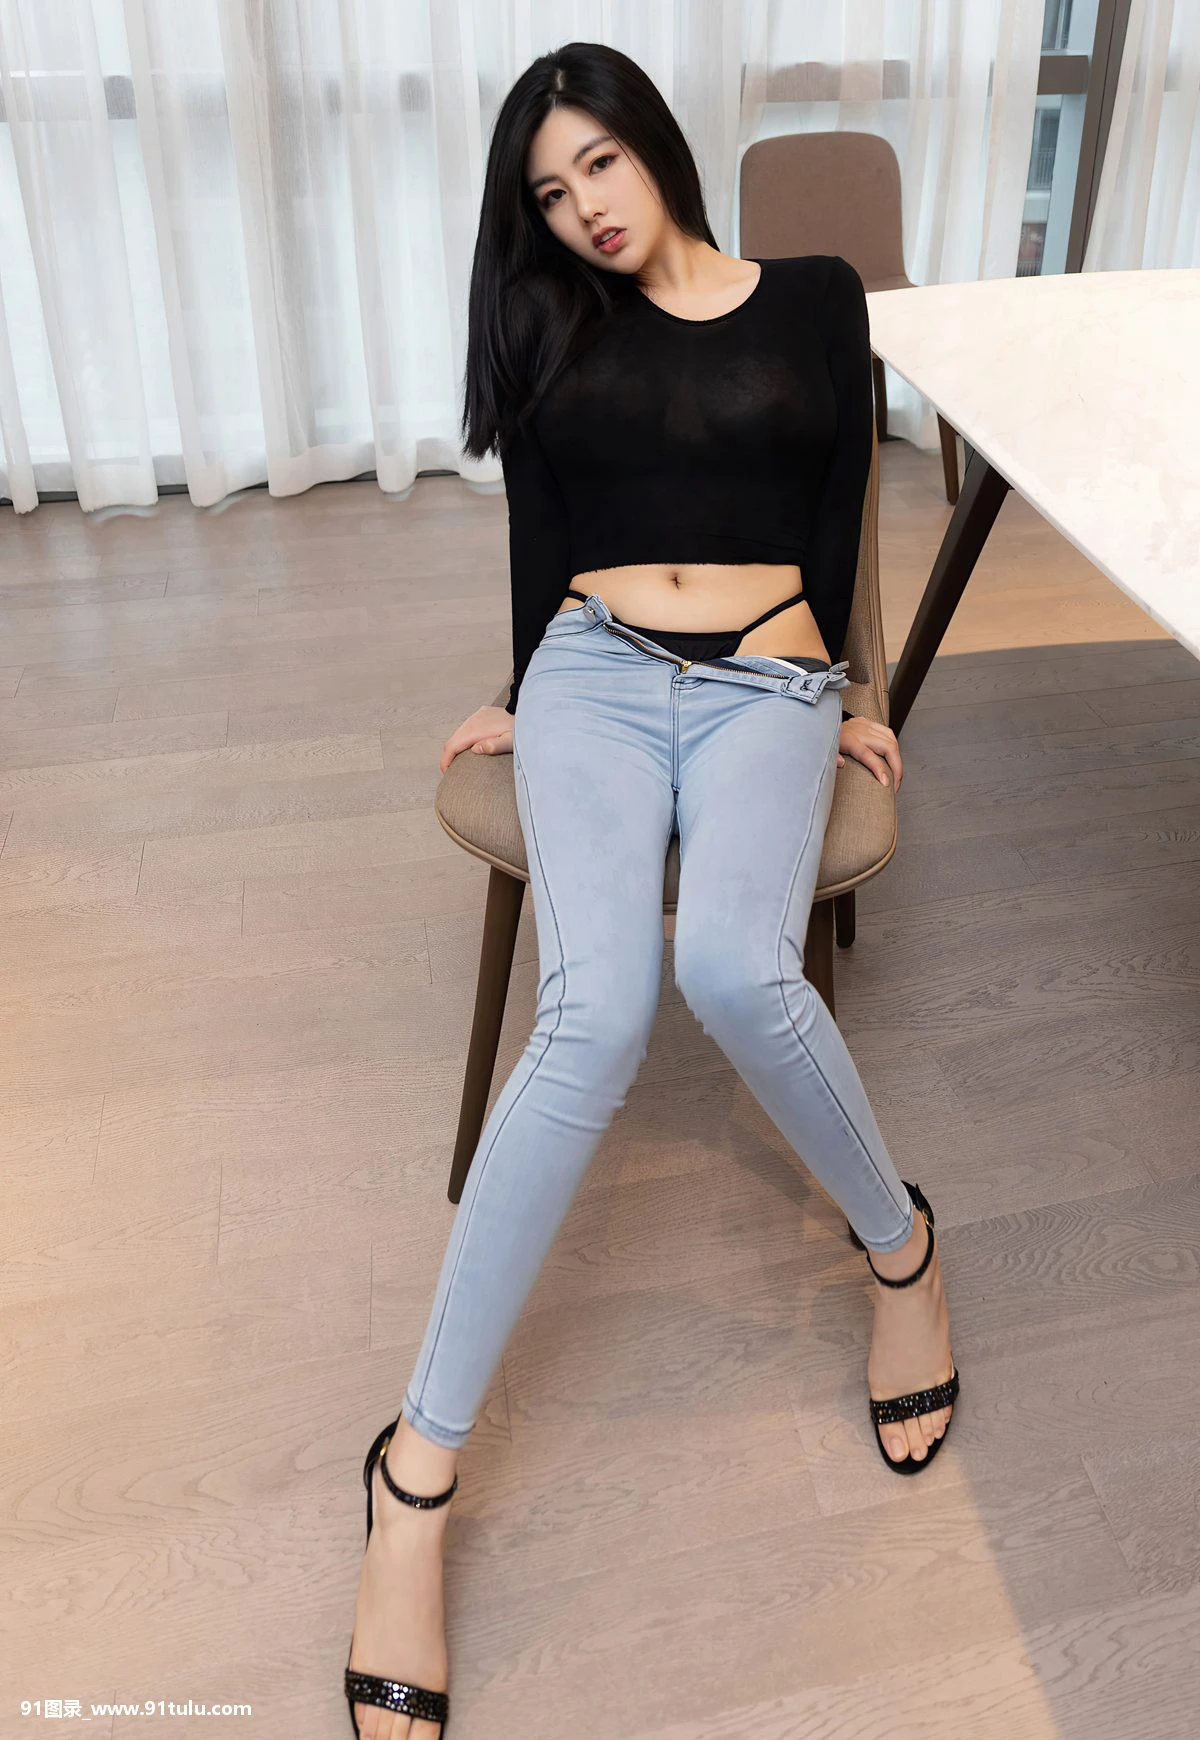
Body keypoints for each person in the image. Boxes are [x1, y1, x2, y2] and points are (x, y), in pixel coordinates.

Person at [344, 41, 959, 1740]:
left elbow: (840, 498)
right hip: (594, 673)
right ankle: (414, 1476)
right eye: (551, 193)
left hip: (769, 677)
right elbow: (541, 532)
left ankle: (904, 1256)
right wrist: (520, 688)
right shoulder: (554, 323)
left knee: (739, 975)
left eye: (599, 165)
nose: (585, 210)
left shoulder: (817, 296)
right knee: (594, 1007)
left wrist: (851, 688)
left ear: (653, 145)